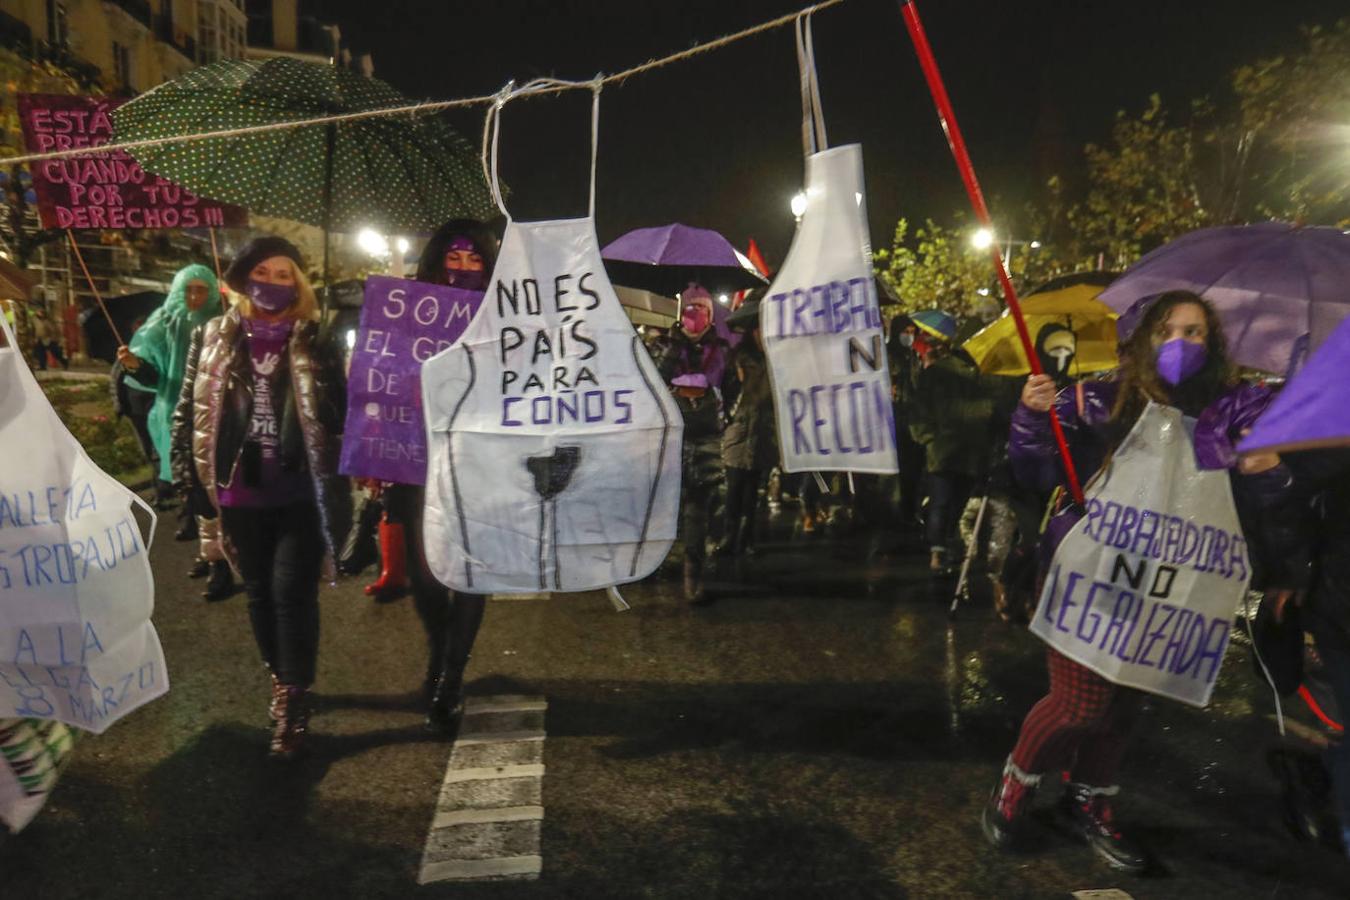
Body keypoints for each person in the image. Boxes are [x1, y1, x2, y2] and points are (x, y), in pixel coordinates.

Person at [983, 290, 1293, 871]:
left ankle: (1090, 801)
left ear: (1214, 344)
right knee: (1079, 704)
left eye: (1196, 333)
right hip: (1095, 574)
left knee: (1124, 706)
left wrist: (1270, 472)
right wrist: (1030, 416)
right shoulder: (1098, 399)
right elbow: (1035, 469)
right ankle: (1016, 786)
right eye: (1169, 330)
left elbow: (1261, 502)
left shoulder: (1232, 411)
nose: (1182, 343)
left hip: (1171, 584)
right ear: (1146, 337)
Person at [171, 235, 349, 759]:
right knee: (258, 595)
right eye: (263, 273)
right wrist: (192, 488)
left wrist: (330, 375)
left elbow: (340, 416)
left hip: (299, 492)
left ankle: (293, 702)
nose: (273, 283)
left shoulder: (316, 337)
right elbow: (189, 417)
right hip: (237, 493)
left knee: (290, 592)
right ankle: (283, 680)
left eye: (284, 274)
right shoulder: (212, 337)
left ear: (299, 283)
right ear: (243, 280)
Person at [363, 218, 498, 732]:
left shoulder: (502, 315)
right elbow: (383, 379)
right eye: (454, 257)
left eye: (475, 259)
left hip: (481, 462)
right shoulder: (408, 311)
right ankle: (440, 651)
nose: (462, 267)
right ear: (436, 260)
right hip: (414, 456)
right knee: (423, 573)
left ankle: (450, 677)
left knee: (467, 571)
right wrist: (374, 451)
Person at [117, 265, 232, 596]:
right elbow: (151, 375)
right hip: (177, 412)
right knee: (192, 483)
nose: (196, 296)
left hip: (215, 412)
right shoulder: (161, 324)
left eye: (203, 290)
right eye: (189, 290)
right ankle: (211, 555)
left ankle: (222, 558)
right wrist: (134, 364)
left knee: (216, 487)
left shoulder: (225, 322)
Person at [652, 283, 730, 604]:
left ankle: (692, 574)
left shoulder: (721, 348)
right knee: (664, 506)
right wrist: (674, 345)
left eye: (702, 310)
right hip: (670, 437)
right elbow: (655, 376)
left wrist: (722, 414)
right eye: (690, 309)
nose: (695, 316)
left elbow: (729, 383)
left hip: (705, 437)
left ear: (711, 316)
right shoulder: (664, 343)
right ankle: (652, 564)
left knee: (697, 507)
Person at [908, 313, 997, 574]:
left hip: (950, 453)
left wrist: (927, 439)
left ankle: (942, 549)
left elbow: (918, 412)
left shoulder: (975, 374)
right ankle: (942, 548)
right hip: (961, 452)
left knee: (945, 502)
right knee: (950, 503)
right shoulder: (970, 375)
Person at [718, 292, 775, 557]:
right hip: (739, 432)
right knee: (734, 489)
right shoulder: (738, 358)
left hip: (763, 433)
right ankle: (729, 536)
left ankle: (747, 536)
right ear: (753, 331)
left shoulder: (776, 361)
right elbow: (725, 394)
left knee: (753, 491)